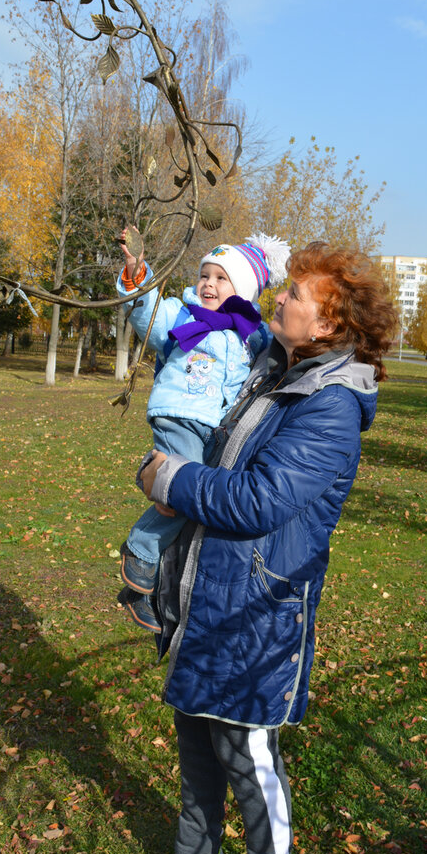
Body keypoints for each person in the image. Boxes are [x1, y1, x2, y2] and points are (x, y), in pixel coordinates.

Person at [137, 241, 398, 854]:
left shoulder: (331, 405)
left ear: (327, 327)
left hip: (258, 605)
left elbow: (259, 501)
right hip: (210, 583)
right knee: (195, 724)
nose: (279, 299)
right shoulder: (273, 370)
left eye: (294, 296)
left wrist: (171, 481)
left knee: (246, 749)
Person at [115, 228, 289, 632]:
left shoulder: (253, 334)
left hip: (216, 429)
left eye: (220, 277)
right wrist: (137, 274)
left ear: (243, 290)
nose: (208, 284)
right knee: (182, 489)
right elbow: (149, 313)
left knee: (201, 505)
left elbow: (278, 355)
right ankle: (141, 549)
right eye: (204, 275)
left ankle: (147, 593)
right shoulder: (184, 314)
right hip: (178, 414)